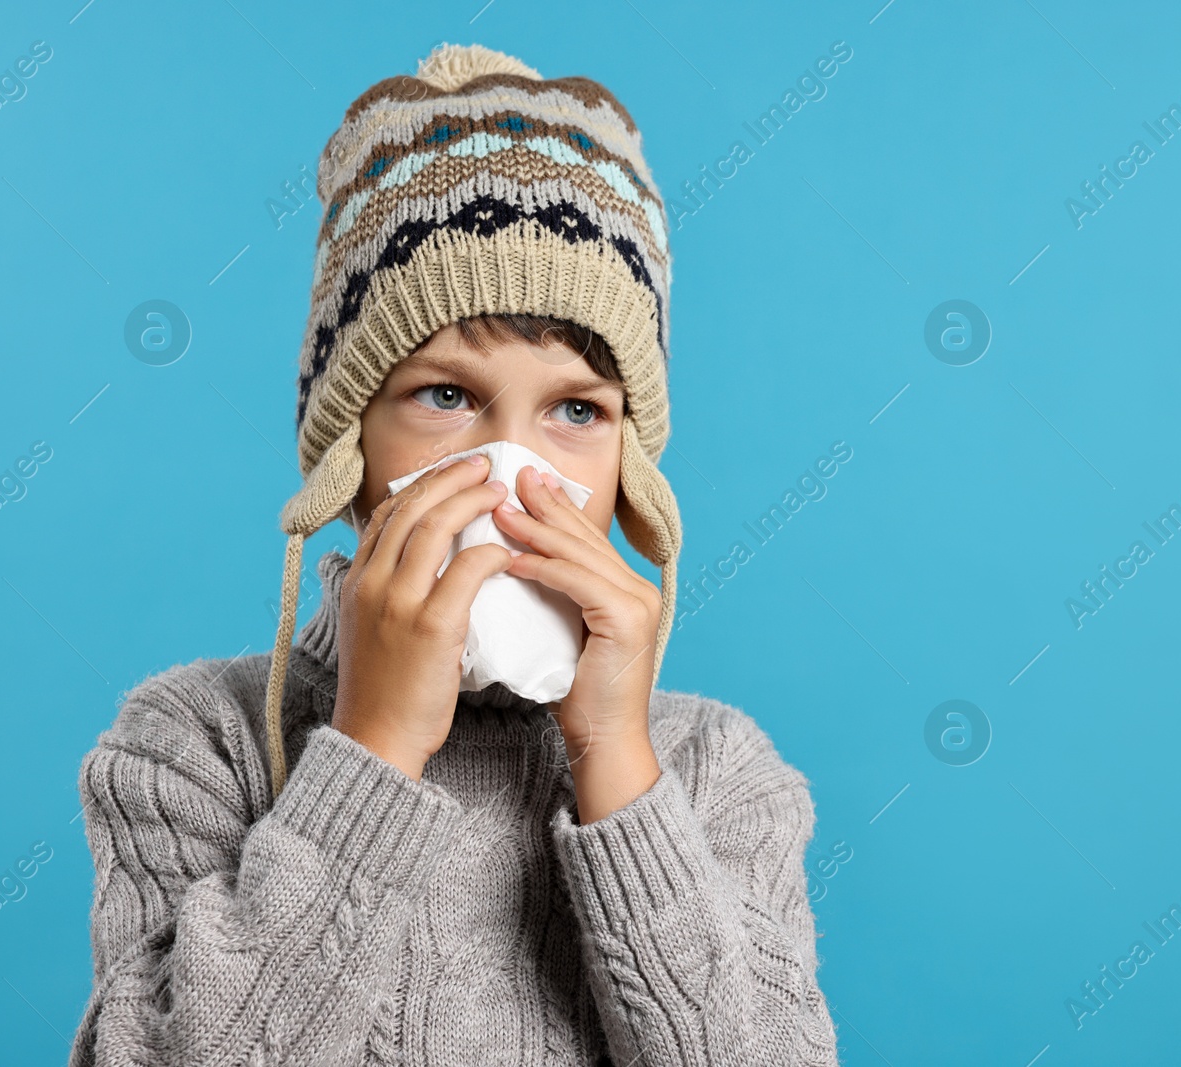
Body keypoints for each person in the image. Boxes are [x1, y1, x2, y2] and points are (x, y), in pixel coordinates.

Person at [69, 41, 839, 1066]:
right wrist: (374, 747)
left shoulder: (714, 768)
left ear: (631, 469)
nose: (510, 467)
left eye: (575, 408)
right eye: (446, 395)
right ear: (347, 449)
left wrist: (616, 763)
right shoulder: (195, 741)